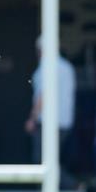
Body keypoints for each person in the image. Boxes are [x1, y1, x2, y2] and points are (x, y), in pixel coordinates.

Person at [24, 36, 74, 172]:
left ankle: (75, 187)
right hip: (65, 123)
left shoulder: (46, 67)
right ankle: (73, 188)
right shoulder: (67, 67)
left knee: (43, 163)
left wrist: (32, 119)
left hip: (48, 124)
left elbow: (43, 94)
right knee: (51, 161)